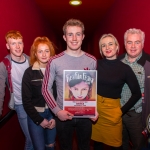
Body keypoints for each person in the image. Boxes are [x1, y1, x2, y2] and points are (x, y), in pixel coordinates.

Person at [42, 18, 97, 150]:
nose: (74, 38)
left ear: (83, 37)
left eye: (78, 34)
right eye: (70, 34)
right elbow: (45, 89)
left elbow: (93, 89)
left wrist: (95, 110)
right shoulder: (54, 61)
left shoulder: (92, 60)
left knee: (85, 147)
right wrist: (57, 111)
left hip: (85, 115)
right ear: (64, 37)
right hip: (63, 115)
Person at [91, 34, 141, 150]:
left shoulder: (125, 69)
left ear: (117, 47)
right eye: (103, 45)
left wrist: (121, 111)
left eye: (110, 44)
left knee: (116, 145)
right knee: (97, 144)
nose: (107, 47)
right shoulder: (95, 64)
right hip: (96, 112)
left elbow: (137, 93)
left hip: (113, 113)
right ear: (101, 50)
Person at [0, 30, 33, 150]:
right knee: (30, 139)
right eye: (13, 43)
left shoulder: (31, 61)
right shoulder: (4, 65)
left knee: (38, 137)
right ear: (8, 46)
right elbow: (0, 91)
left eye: (20, 43)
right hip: (20, 105)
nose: (18, 47)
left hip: (35, 104)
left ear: (23, 44)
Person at [22, 37, 56, 150]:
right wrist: (39, 120)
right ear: (35, 54)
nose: (44, 54)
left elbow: (60, 95)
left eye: (47, 51)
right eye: (40, 51)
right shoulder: (29, 73)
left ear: (51, 53)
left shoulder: (56, 71)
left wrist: (56, 117)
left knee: (50, 146)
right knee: (39, 148)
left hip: (53, 114)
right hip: (35, 116)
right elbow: (26, 101)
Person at [119, 28, 150, 150]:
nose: (133, 46)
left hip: (138, 115)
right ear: (124, 43)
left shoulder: (148, 63)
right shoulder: (118, 62)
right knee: (120, 145)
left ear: (142, 43)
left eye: (137, 42)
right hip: (118, 113)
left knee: (139, 146)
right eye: (129, 42)